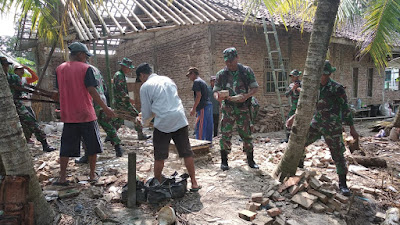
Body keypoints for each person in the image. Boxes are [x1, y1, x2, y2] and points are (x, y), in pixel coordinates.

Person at [287, 61, 358, 196]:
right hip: (317, 123)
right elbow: (306, 104)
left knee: (337, 154)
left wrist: (352, 128)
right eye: (320, 74)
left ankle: (342, 184)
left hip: (333, 126)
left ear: (329, 74)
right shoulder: (314, 87)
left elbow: (346, 108)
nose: (322, 77)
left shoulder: (337, 88)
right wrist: (293, 117)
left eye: (324, 74)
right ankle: (300, 165)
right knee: (300, 141)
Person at [54, 42, 115, 185]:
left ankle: (62, 177)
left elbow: (58, 92)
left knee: (66, 147)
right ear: (80, 55)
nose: (87, 59)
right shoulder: (86, 69)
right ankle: (92, 175)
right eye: (86, 56)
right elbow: (92, 91)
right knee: (92, 146)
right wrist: (106, 108)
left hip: (68, 115)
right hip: (86, 114)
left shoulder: (59, 69)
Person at [137, 63, 201, 192]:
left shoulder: (145, 87)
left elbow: (147, 112)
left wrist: (142, 121)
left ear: (142, 75)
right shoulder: (168, 80)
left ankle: (157, 184)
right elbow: (170, 100)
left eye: (140, 78)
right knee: (186, 152)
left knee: (159, 156)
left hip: (163, 122)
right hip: (179, 118)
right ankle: (194, 183)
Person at [213, 47, 259, 171]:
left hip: (243, 107)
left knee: (247, 134)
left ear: (237, 58)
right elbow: (215, 91)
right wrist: (218, 97)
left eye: (231, 61)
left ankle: (250, 160)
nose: (229, 64)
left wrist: (246, 96)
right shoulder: (221, 74)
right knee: (225, 134)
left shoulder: (246, 71)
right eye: (227, 61)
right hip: (228, 108)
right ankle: (224, 161)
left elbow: (255, 87)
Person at [1, 56, 55, 152]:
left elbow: (21, 89)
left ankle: (44, 144)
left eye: (6, 66)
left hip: (17, 105)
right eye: (3, 66)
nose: (5, 68)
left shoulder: (14, 78)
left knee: (32, 123)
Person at [75, 65, 124, 164]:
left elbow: (86, 88)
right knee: (108, 125)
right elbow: (104, 87)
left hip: (91, 102)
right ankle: (118, 148)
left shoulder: (82, 69)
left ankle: (87, 155)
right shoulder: (96, 69)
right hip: (102, 100)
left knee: (87, 129)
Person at [112, 57, 150, 140]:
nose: (129, 70)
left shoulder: (119, 75)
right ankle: (140, 135)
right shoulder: (119, 76)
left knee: (119, 118)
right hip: (122, 102)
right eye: (129, 68)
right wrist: (128, 99)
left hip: (119, 102)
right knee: (137, 116)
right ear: (124, 67)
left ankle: (111, 135)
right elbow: (120, 90)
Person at [14, 65, 39, 143]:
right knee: (27, 122)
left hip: (27, 103)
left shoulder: (25, 79)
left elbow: (35, 77)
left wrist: (28, 68)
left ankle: (28, 137)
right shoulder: (13, 80)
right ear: (15, 71)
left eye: (22, 70)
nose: (21, 71)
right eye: (19, 70)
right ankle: (26, 138)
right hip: (19, 105)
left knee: (32, 120)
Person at [186, 67, 213, 141]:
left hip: (203, 107)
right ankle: (208, 144)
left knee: (200, 127)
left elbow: (198, 96)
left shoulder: (196, 82)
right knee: (208, 126)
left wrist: (194, 109)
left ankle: (200, 146)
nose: (189, 78)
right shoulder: (203, 82)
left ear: (193, 74)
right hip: (208, 106)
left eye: (189, 76)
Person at [283, 69, 302, 143]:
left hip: (301, 106)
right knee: (289, 121)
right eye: (292, 76)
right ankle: (288, 138)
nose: (292, 78)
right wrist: (293, 89)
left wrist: (299, 89)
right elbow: (287, 94)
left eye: (293, 76)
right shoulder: (291, 85)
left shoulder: (302, 84)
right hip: (294, 106)